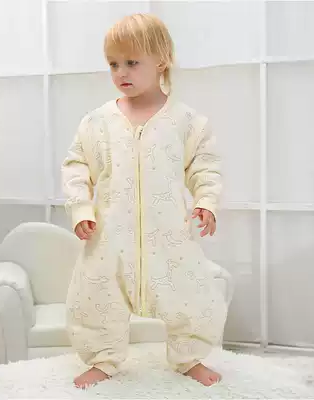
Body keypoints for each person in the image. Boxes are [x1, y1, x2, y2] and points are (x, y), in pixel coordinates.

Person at [61, 13, 229, 389]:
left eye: (132, 62)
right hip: (109, 235)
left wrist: (206, 201)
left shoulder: (187, 122)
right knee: (97, 295)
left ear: (161, 61)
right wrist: (80, 208)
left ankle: (189, 357)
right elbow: (76, 166)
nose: (121, 72)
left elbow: (205, 166)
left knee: (188, 294)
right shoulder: (97, 123)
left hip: (168, 232)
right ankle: (102, 359)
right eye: (113, 64)